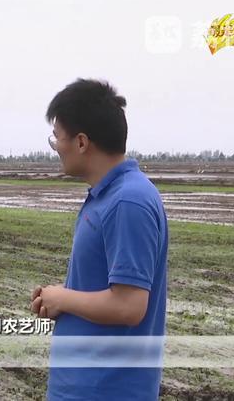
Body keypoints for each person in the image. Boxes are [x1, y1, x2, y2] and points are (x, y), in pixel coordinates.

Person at [30, 79, 168, 400]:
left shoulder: (127, 201)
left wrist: (63, 298)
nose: (56, 148)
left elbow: (129, 306)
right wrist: (58, 298)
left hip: (106, 389)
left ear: (81, 142)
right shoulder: (107, 196)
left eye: (57, 138)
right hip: (83, 384)